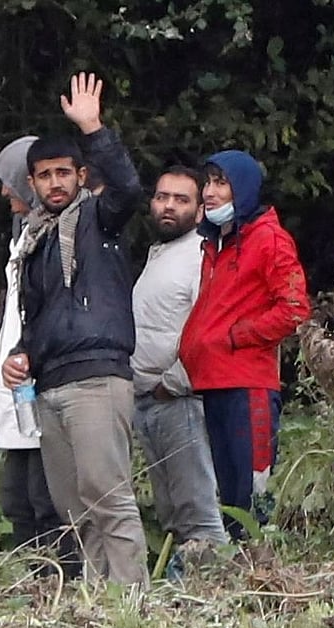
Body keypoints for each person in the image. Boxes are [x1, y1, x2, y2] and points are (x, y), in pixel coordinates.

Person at [0, 73, 149, 585]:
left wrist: (94, 127)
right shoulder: (35, 239)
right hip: (52, 383)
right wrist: (20, 354)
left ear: (82, 175)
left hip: (97, 377)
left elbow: (129, 189)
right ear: (33, 182)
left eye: (64, 172)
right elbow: (37, 317)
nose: (55, 183)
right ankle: (99, 603)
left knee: (110, 497)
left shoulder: (98, 221)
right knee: (73, 509)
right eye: (44, 176)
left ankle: (133, 606)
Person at [178, 150, 310, 540]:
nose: (210, 192)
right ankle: (239, 577)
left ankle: (262, 577)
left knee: (252, 495)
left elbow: (295, 307)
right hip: (215, 381)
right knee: (230, 497)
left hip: (247, 383)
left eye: (221, 183)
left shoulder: (268, 239)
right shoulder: (218, 243)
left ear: (243, 189)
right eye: (208, 183)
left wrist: (239, 337)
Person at [133, 167, 228, 568]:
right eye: (161, 196)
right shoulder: (161, 252)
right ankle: (178, 597)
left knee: (198, 512)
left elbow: (211, 330)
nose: (168, 206)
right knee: (172, 511)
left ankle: (214, 595)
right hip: (147, 400)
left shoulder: (201, 256)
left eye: (181, 199)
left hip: (181, 400)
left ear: (199, 210)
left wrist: (173, 383)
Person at [0, 135, 62, 552]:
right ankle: (28, 579)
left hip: (43, 380)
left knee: (45, 497)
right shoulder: (24, 233)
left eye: (9, 181)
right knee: (17, 495)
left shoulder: (59, 234)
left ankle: (57, 579)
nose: (3, 191)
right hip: (19, 385)